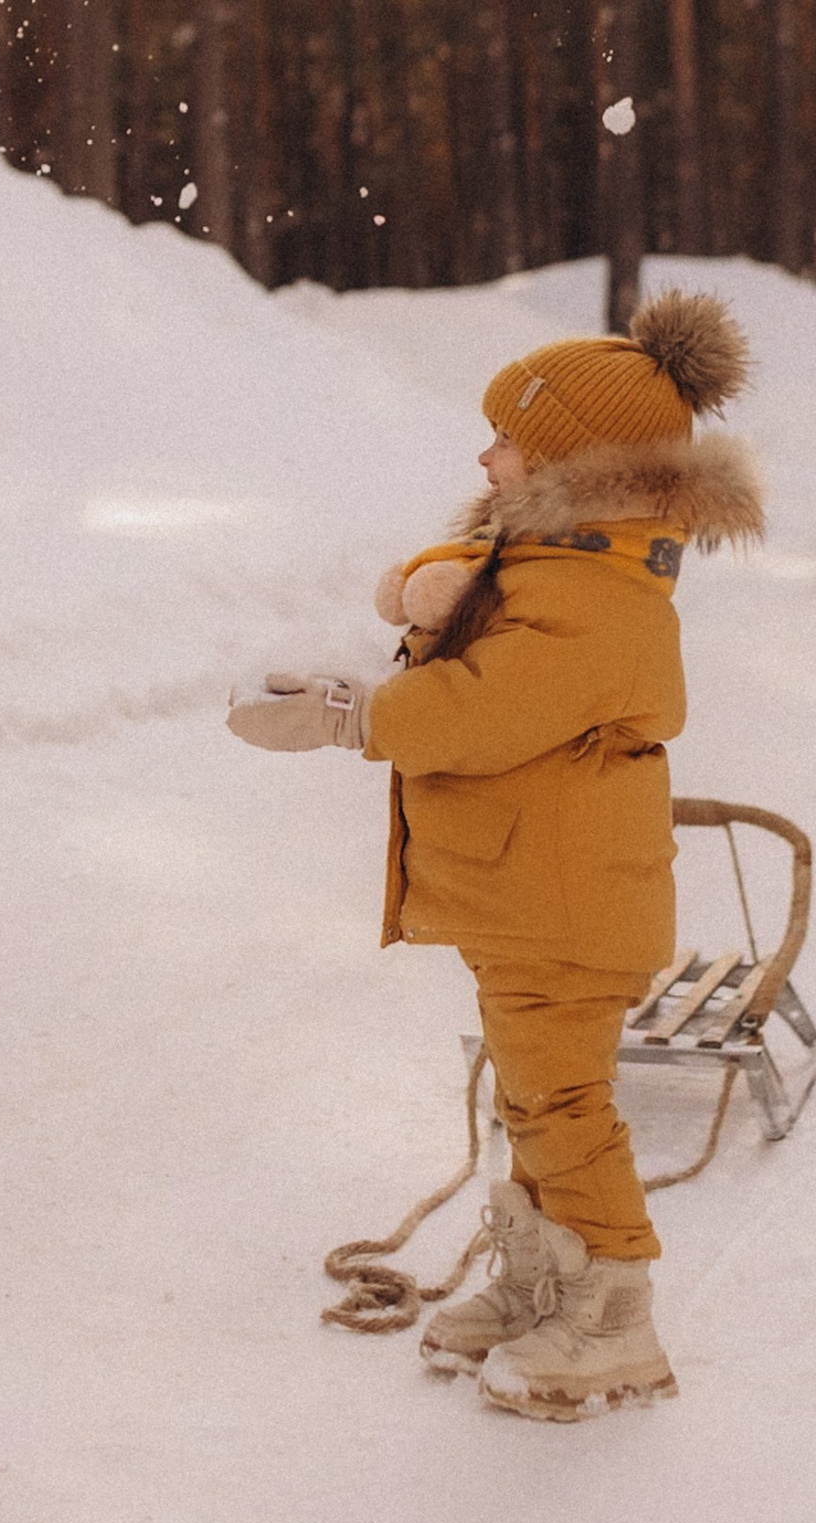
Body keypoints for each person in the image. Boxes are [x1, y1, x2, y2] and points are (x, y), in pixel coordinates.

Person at [226, 292, 762, 1419]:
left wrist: (345, 711)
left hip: (562, 913)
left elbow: (473, 713)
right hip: (530, 900)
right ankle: (538, 1286)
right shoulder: (556, 571)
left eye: (510, 440)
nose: (485, 452)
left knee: (564, 1106)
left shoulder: (596, 601)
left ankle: (612, 1319)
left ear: (578, 466)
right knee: (533, 1104)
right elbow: (472, 642)